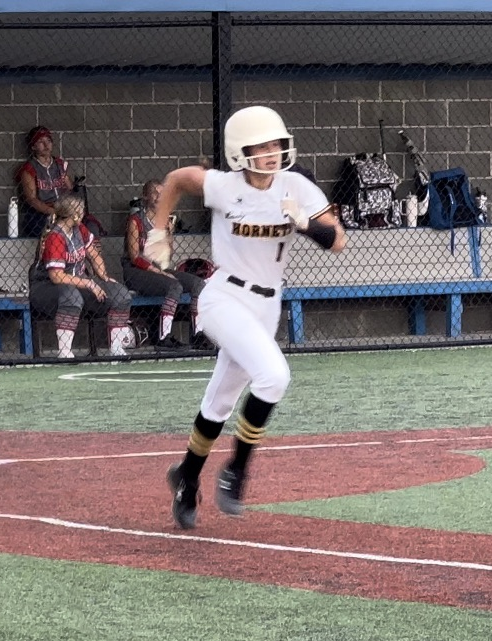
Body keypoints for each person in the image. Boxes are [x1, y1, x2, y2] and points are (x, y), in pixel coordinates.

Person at [144, 105, 346, 529]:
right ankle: (236, 469)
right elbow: (176, 180)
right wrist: (159, 231)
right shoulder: (224, 186)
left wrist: (305, 224)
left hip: (267, 304)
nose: (272, 153)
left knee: (220, 401)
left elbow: (337, 241)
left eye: (276, 144)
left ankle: (186, 476)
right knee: (274, 376)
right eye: (261, 147)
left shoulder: (296, 185)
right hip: (224, 297)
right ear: (241, 151)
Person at [29, 192, 132, 359]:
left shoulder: (80, 229)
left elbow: (94, 254)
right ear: (74, 215)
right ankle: (64, 352)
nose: (84, 214)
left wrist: (103, 276)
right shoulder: (55, 236)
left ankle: (116, 349)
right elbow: (57, 277)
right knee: (71, 296)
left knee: (120, 293)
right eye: (81, 211)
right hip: (47, 287)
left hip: (77, 283)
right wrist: (90, 284)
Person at [122, 178, 212, 351]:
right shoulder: (136, 220)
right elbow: (134, 257)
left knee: (198, 284)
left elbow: (166, 258)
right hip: (136, 272)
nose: (159, 197)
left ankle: (198, 334)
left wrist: (169, 235)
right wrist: (159, 272)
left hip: (158, 270)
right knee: (174, 286)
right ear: (145, 196)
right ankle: (164, 338)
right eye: (154, 193)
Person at [16, 126, 106, 240]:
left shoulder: (59, 164)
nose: (46, 145)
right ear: (33, 146)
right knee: (57, 228)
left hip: (65, 208)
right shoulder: (29, 169)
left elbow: (70, 189)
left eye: (48, 141)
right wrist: (53, 211)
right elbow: (32, 200)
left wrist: (72, 205)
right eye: (40, 142)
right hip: (44, 213)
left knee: (91, 226)